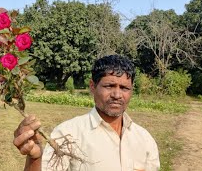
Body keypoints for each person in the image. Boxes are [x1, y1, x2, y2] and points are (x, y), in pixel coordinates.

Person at [13, 55, 160, 171]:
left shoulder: (145, 140)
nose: (117, 94)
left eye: (124, 88)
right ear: (92, 86)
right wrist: (35, 158)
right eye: (109, 86)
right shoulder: (68, 134)